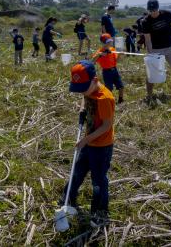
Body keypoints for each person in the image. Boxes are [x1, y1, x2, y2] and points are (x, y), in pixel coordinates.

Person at [62, 60, 115, 228]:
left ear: (95, 80)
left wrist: (86, 139)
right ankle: (67, 198)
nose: (82, 92)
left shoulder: (105, 98)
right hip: (89, 142)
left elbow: (107, 125)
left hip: (101, 146)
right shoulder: (88, 89)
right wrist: (82, 108)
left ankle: (100, 210)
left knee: (98, 180)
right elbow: (85, 97)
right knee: (77, 171)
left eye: (83, 88)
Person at [93, 34, 125, 104]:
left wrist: (119, 54)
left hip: (114, 71)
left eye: (110, 42)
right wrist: (100, 54)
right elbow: (93, 61)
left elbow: (117, 61)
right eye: (108, 42)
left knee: (121, 86)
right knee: (109, 89)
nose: (110, 43)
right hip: (106, 72)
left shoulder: (112, 50)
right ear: (103, 43)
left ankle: (120, 100)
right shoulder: (100, 51)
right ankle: (110, 101)